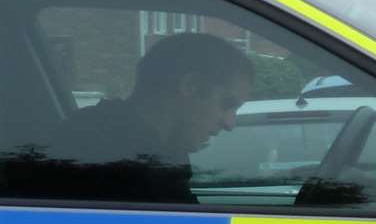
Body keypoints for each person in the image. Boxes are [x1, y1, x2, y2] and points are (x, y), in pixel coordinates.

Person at [45, 32, 254, 202]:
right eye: (227, 104)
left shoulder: (163, 149)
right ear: (191, 86)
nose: (229, 124)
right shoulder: (113, 161)